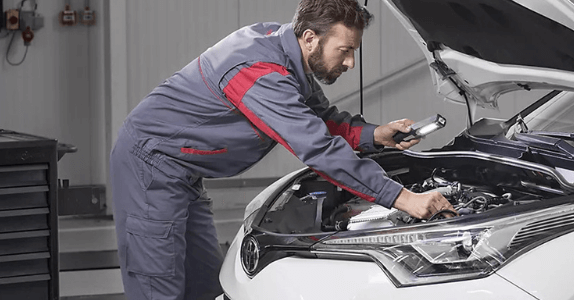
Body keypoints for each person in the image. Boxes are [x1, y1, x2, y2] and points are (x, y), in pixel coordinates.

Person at [109, 0, 454, 299]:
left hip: (185, 171)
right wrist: (404, 199)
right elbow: (318, 148)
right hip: (151, 166)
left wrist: (376, 135)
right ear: (310, 38)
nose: (350, 62)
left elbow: (322, 120)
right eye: (345, 50)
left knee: (203, 285)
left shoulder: (287, 56)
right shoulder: (259, 70)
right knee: (159, 286)